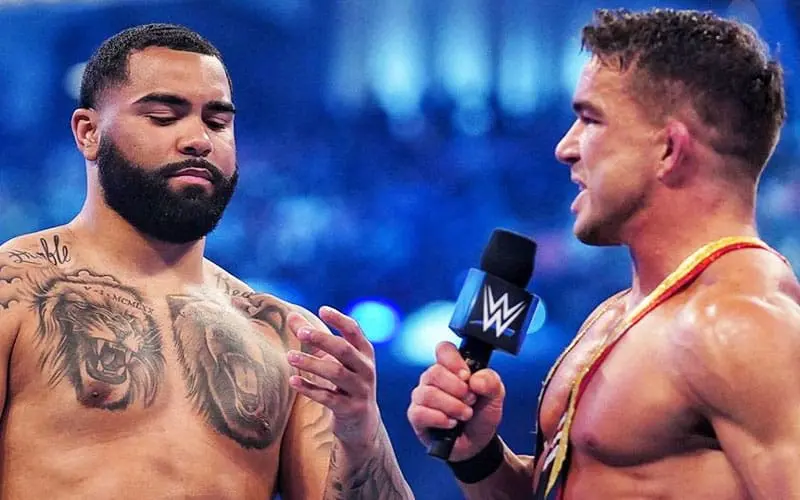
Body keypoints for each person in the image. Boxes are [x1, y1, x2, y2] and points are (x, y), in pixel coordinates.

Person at [0, 23, 414, 500]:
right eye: (163, 116)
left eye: (217, 122)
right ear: (89, 132)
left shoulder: (284, 337)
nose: (198, 139)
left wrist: (361, 432)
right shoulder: (17, 291)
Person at [407, 7, 800, 499]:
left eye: (590, 119)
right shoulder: (621, 313)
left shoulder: (742, 325)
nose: (565, 148)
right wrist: (479, 457)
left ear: (669, 150)